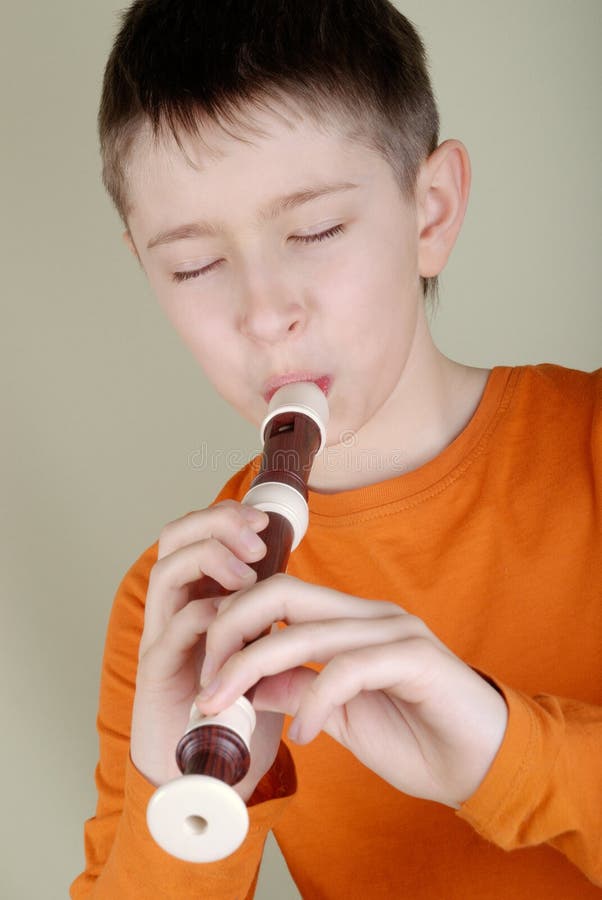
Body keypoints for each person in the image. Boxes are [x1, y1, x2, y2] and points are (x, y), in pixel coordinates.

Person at [71, 1, 601, 897]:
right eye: (194, 265)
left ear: (430, 213)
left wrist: (507, 755)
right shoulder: (171, 606)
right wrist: (181, 798)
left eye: (313, 231)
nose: (264, 312)